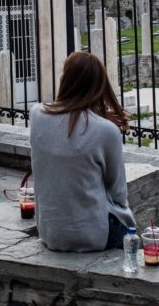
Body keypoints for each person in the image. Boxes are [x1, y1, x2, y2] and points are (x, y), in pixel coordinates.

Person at [29, 52, 136, 252]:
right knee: (135, 240)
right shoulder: (106, 131)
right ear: (98, 86)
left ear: (65, 79)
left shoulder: (36, 115)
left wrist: (97, 119)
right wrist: (101, 122)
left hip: (49, 231)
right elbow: (118, 192)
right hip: (92, 235)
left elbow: (66, 130)